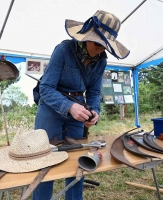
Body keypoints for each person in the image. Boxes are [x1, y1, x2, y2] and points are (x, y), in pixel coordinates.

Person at [33, 10, 130, 200]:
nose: (101, 49)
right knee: (45, 161)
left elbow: (93, 92)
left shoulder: (101, 61)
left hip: (78, 112)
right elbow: (45, 88)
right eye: (98, 43)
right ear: (86, 37)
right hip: (50, 109)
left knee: (79, 162)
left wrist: (94, 111)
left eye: (105, 46)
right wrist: (68, 106)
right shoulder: (64, 50)